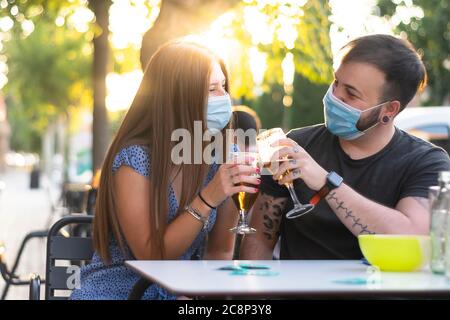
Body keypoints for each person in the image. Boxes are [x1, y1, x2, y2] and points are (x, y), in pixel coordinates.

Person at [70, 40, 260, 300]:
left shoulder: (221, 156)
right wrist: (209, 197)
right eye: (212, 89)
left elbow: (219, 253)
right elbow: (151, 256)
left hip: (179, 294)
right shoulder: (134, 158)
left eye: (223, 87)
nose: (225, 99)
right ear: (179, 98)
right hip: (120, 291)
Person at [241, 34, 450, 260]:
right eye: (336, 82)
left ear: (389, 110)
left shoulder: (427, 162)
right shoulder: (296, 144)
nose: (334, 95)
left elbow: (410, 237)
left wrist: (324, 181)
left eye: (351, 93)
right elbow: (259, 239)